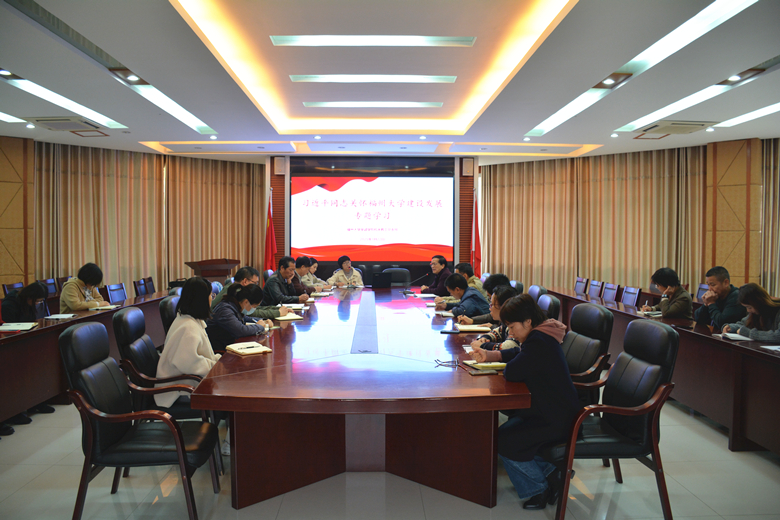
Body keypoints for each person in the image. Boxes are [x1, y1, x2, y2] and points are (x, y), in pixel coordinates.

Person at [469, 294, 579, 510]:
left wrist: (504, 361)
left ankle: (539, 489)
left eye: (512, 327)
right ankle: (554, 475)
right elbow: (518, 353)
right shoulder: (542, 334)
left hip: (556, 419)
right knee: (505, 435)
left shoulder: (539, 341)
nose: (510, 332)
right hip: (552, 411)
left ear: (528, 321)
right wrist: (490, 356)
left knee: (505, 442)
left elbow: (513, 370)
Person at [156, 276, 228, 453]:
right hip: (178, 390)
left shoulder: (191, 320)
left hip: (190, 381)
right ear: (200, 299)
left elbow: (200, 358)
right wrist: (218, 363)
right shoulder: (187, 327)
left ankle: (231, 437)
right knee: (231, 394)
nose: (212, 298)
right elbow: (190, 364)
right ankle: (231, 441)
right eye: (210, 295)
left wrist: (217, 361)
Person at [206, 283, 273, 352]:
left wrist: (264, 321)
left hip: (229, 346)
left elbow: (246, 318)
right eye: (255, 306)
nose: (254, 309)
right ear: (246, 302)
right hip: (220, 351)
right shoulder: (225, 310)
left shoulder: (234, 306)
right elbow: (241, 330)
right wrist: (260, 327)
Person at [212, 266, 288, 318]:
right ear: (245, 281)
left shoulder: (238, 288)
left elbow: (254, 308)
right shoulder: (234, 292)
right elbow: (250, 312)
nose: (256, 286)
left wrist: (277, 308)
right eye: (255, 283)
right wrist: (278, 313)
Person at [471, 285, 519, 350]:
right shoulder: (506, 322)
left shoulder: (515, 323)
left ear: (503, 306)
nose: (490, 308)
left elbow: (509, 346)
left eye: (492, 305)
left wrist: (483, 345)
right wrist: (484, 338)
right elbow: (498, 332)